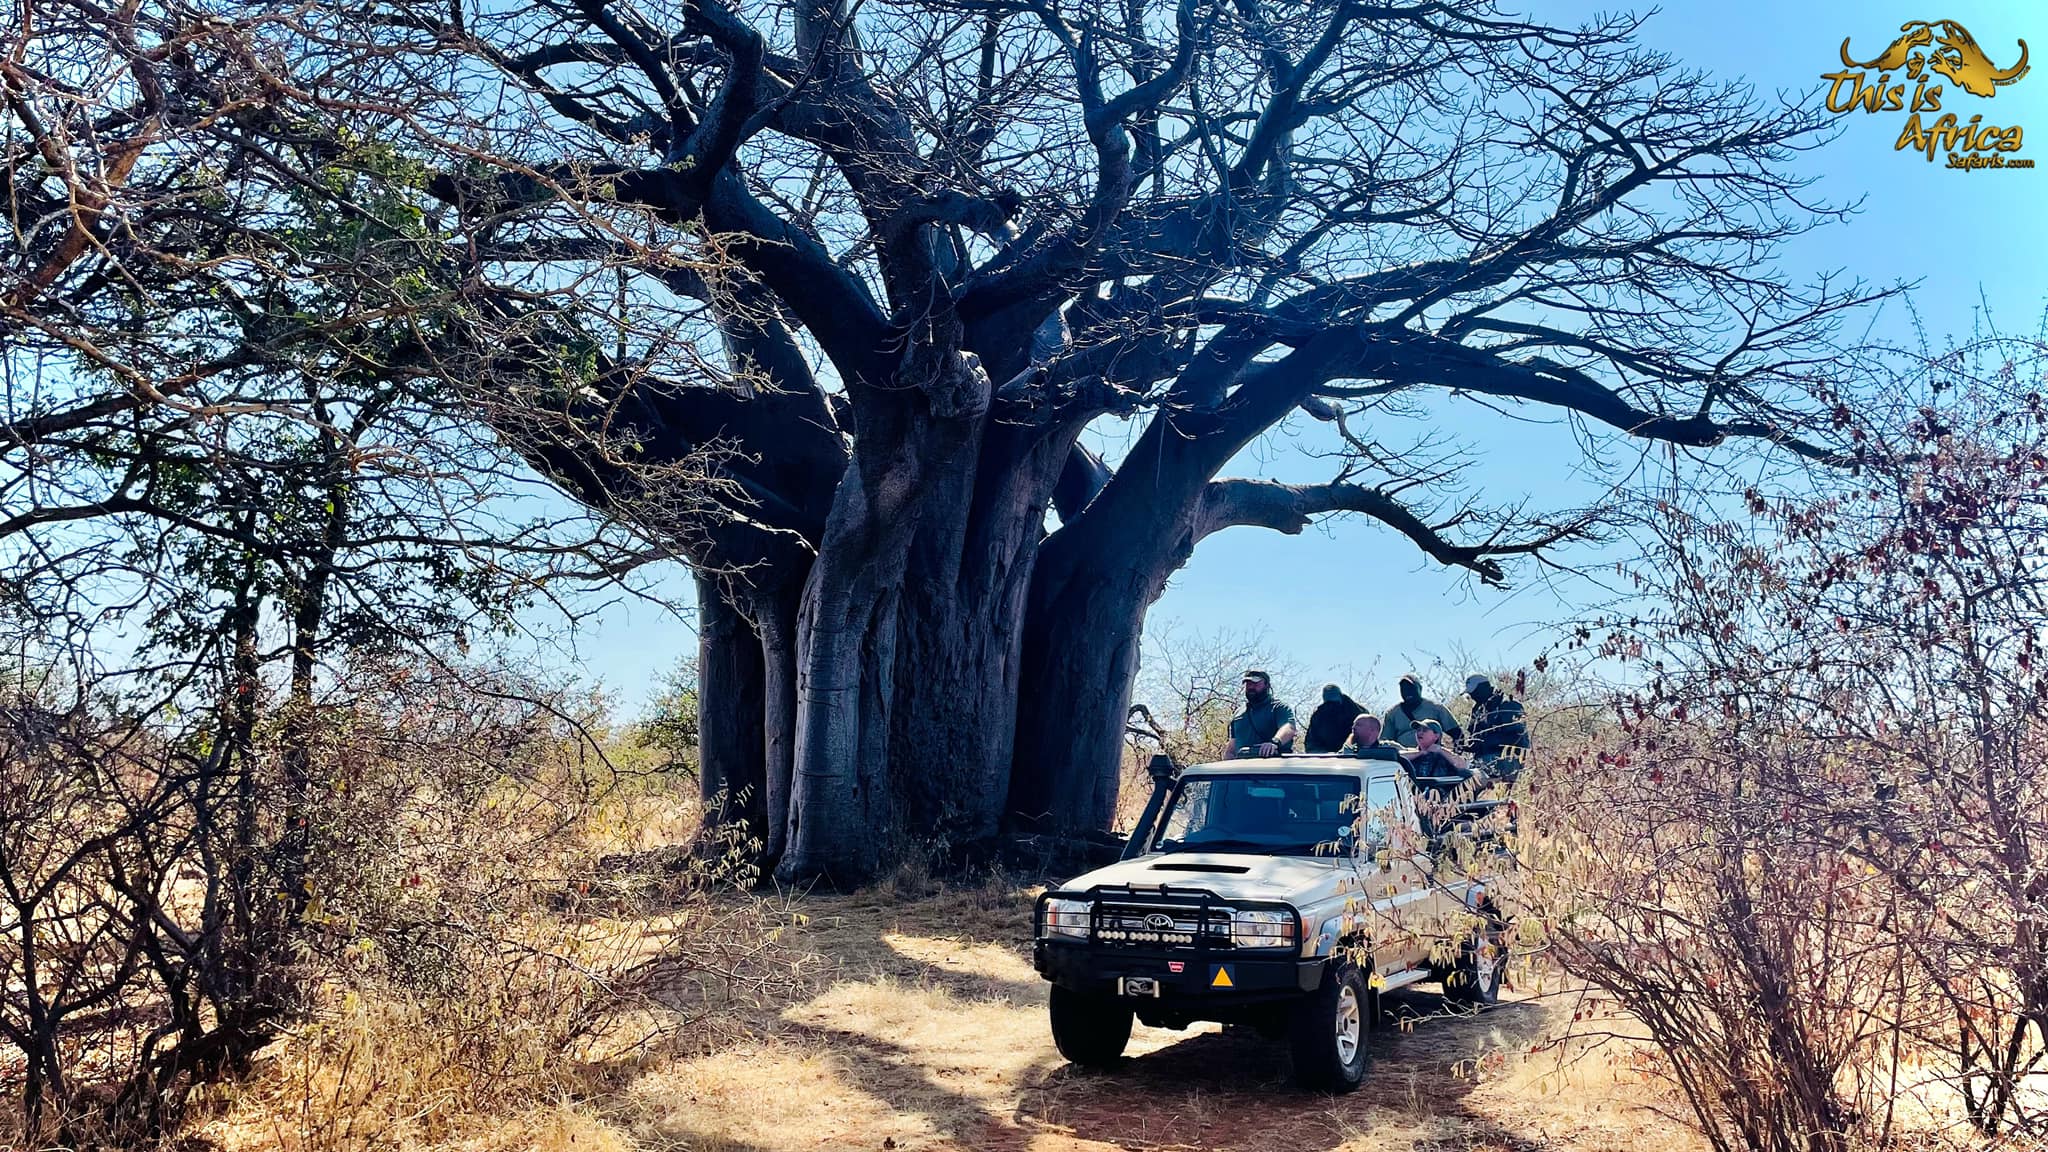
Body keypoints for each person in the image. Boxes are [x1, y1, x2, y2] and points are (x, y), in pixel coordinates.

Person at [1465, 674, 1531, 784]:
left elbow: (1517, 737)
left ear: (1483, 688)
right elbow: (1474, 737)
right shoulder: (1478, 709)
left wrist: (1486, 743)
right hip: (1483, 759)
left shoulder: (1508, 704)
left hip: (1507, 758)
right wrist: (1469, 746)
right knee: (1461, 773)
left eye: (1474, 692)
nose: (1472, 695)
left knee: (1472, 778)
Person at [1381, 674, 1464, 749]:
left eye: (1411, 688)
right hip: (1404, 757)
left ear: (1420, 689)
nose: (1407, 692)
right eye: (1404, 689)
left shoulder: (1436, 708)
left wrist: (1455, 756)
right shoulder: (1392, 713)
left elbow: (1457, 733)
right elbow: (1385, 742)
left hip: (1432, 755)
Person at [1227, 669, 1298, 757]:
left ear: (1267, 685)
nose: (1251, 687)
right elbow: (1232, 745)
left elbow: (1289, 728)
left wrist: (1274, 743)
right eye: (1248, 684)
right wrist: (1228, 758)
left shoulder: (1279, 708)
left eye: (1256, 683)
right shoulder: (1238, 713)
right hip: (1242, 767)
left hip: (1273, 766)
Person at [1304, 683, 1364, 752]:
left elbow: (1369, 737)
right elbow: (1311, 744)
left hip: (1354, 754)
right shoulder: (1318, 716)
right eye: (1329, 703)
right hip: (1326, 758)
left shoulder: (1358, 713)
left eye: (1335, 703)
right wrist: (1323, 754)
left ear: (1341, 698)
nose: (1332, 706)